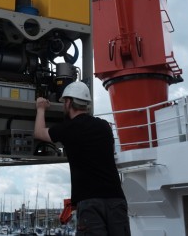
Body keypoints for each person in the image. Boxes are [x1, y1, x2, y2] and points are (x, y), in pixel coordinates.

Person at [34, 82, 131, 236]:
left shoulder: (68, 128)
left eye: (64, 101)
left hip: (90, 201)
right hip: (116, 199)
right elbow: (110, 151)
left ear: (69, 102)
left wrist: (40, 108)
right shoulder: (104, 126)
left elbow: (39, 132)